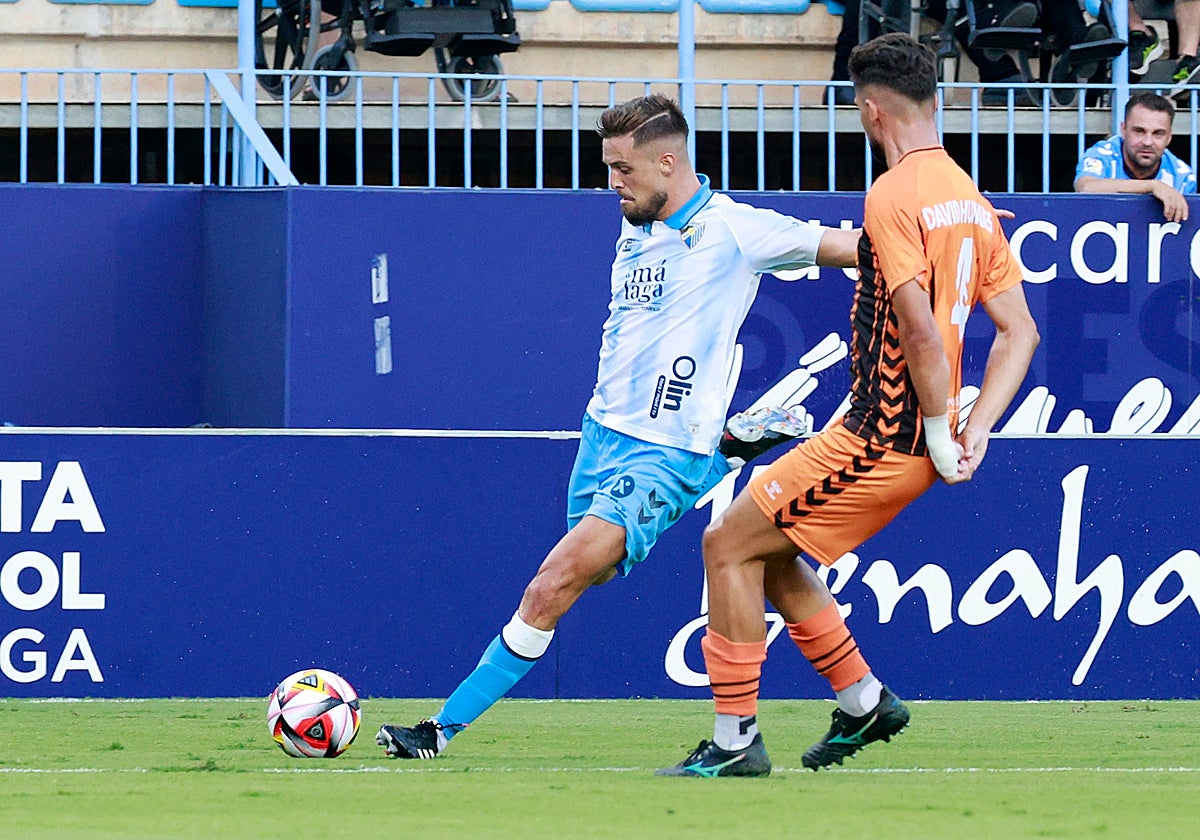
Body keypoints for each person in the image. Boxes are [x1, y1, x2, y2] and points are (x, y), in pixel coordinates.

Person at [375, 94, 866, 761]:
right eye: (608, 168)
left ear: (668, 162)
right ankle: (729, 450)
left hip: (661, 454)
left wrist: (944, 241)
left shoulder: (734, 230)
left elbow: (848, 247)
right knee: (590, 577)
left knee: (551, 584)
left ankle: (438, 730)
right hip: (602, 434)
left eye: (622, 169)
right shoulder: (638, 225)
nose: (612, 183)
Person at [658, 32, 1040, 778]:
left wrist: (936, 431)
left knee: (726, 545)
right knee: (770, 555)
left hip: (882, 437)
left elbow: (920, 328)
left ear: (871, 111)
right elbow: (1019, 332)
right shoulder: (967, 194)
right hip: (906, 436)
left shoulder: (893, 194)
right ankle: (864, 702)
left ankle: (735, 744)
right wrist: (977, 427)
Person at [1074, 91, 1196, 222]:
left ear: (1169, 137)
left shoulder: (1183, 177)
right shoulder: (1103, 154)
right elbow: (1085, 188)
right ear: (1123, 130)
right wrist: (1152, 186)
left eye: (1158, 134)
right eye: (1139, 131)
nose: (1148, 142)